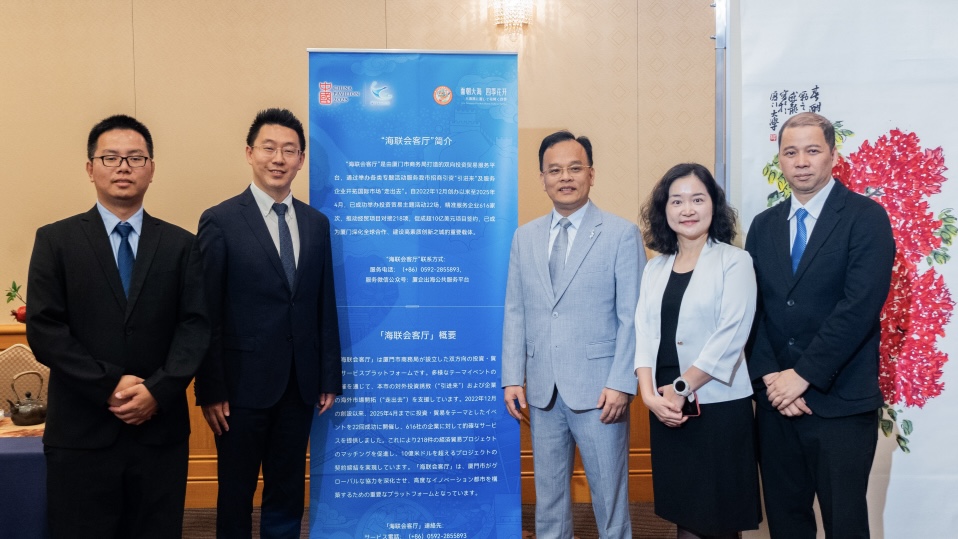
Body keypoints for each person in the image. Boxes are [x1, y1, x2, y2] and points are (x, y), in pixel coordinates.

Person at [25, 114, 210, 538]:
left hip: (158, 431)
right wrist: (108, 384)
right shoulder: (56, 241)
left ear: (151, 169)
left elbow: (195, 327)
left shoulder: (181, 245)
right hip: (81, 433)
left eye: (135, 158)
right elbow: (45, 329)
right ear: (90, 168)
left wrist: (157, 390)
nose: (123, 167)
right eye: (110, 157)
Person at [746, 112, 895, 538]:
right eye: (790, 152)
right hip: (777, 405)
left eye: (812, 151)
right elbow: (751, 310)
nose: (801, 162)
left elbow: (858, 308)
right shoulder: (763, 226)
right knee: (785, 522)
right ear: (779, 159)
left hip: (841, 402)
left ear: (833, 154)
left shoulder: (866, 217)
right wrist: (773, 379)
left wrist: (802, 376)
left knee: (845, 524)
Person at [195, 107, 342, 538]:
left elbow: (323, 304)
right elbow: (206, 312)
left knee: (287, 490)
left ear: (300, 160)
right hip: (239, 389)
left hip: (299, 384)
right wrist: (211, 388)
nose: (279, 158)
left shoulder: (316, 224)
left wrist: (328, 376)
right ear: (249, 153)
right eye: (269, 148)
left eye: (289, 150)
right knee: (236, 492)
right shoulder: (220, 220)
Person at [501, 130, 645, 539]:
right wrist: (512, 377)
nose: (565, 177)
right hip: (542, 391)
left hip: (601, 392)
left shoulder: (620, 234)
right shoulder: (524, 237)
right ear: (542, 179)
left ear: (591, 174)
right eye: (555, 170)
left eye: (575, 168)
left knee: (609, 499)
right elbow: (515, 310)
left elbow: (633, 317)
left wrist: (622, 383)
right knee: (548, 500)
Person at [634, 163, 761, 539]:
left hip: (718, 407)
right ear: (664, 210)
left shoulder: (735, 261)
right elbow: (644, 332)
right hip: (667, 408)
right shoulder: (655, 268)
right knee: (685, 514)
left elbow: (730, 336)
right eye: (677, 201)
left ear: (713, 205)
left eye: (697, 199)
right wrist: (648, 396)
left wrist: (680, 388)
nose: (687, 209)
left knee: (718, 518)